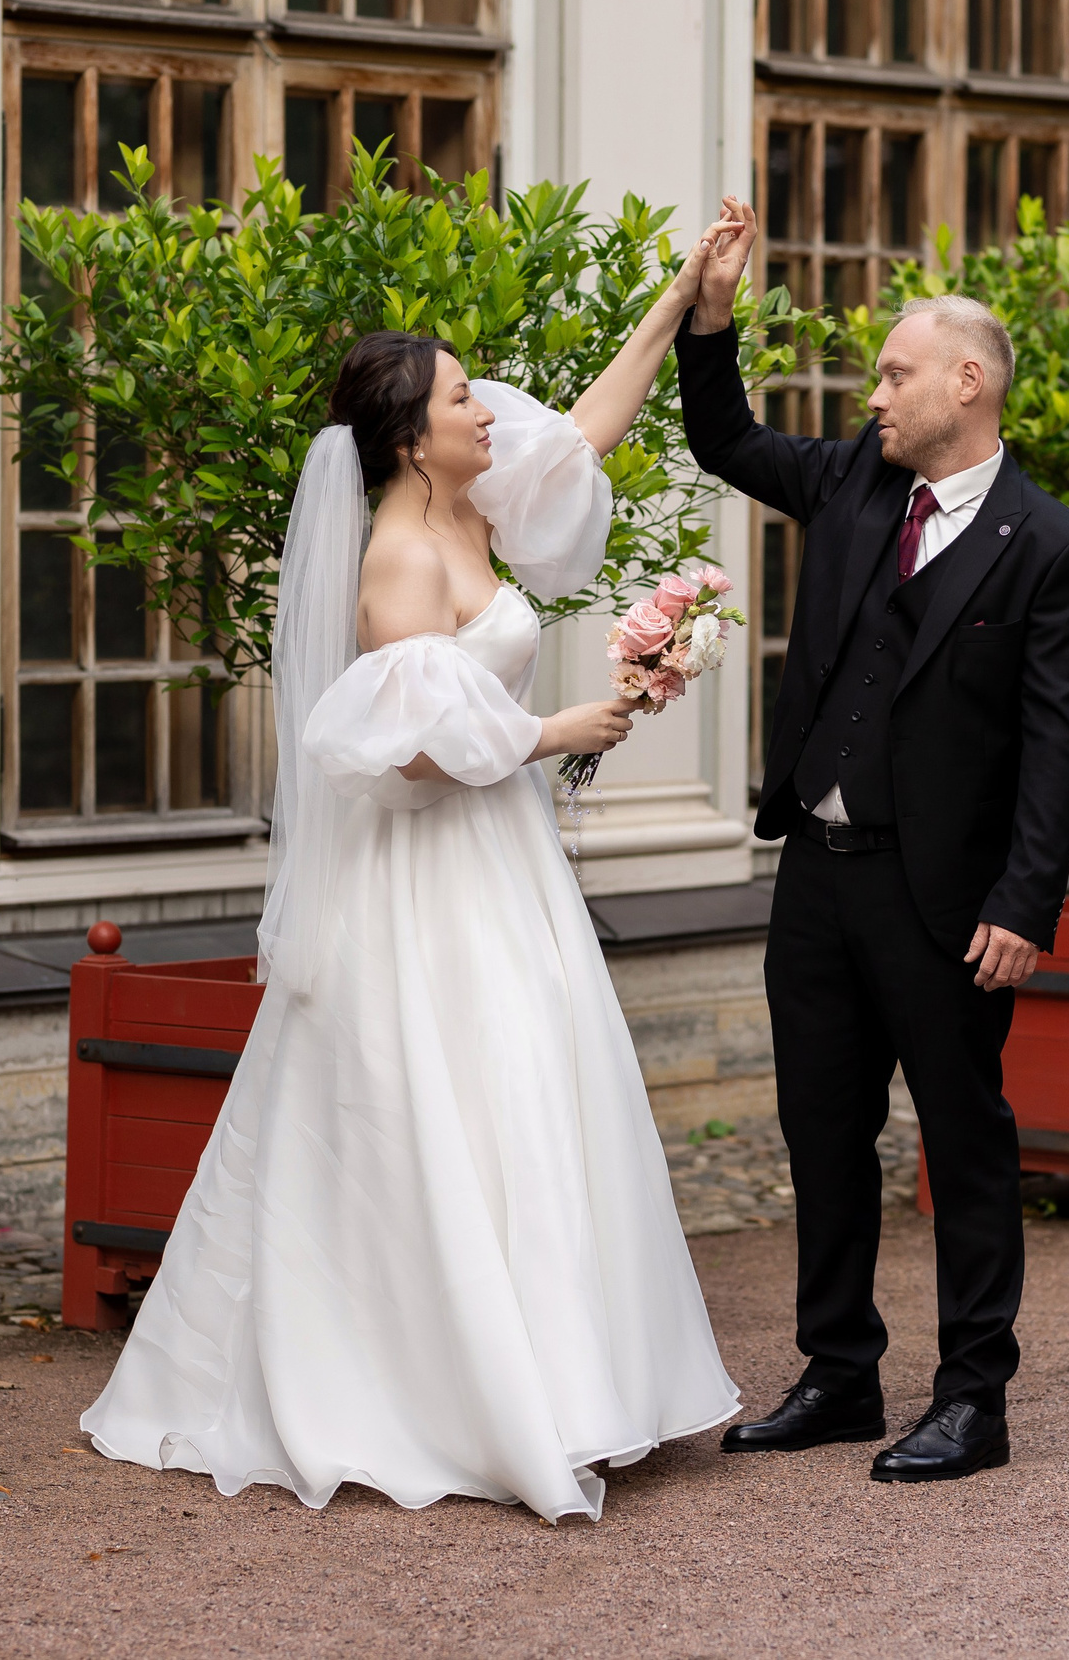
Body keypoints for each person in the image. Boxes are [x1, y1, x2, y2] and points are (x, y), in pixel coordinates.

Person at [80, 219, 751, 1524]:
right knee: (449, 1103)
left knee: (535, 1095)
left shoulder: (469, 500)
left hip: (504, 869)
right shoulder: (398, 557)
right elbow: (416, 749)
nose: (487, 412)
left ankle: (567, 1374)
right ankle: (452, 1388)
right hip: (430, 880)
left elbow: (586, 434)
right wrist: (559, 728)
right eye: (461, 396)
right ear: (408, 436)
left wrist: (681, 297)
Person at [675, 199, 1069, 1483]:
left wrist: (1025, 903)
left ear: (966, 384)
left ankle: (974, 1397)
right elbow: (724, 438)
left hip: (949, 903)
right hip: (815, 873)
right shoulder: (856, 482)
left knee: (963, 1141)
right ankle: (839, 1373)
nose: (874, 392)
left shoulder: (1054, 549)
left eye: (895, 372)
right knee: (820, 1128)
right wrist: (711, 318)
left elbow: (1056, 745)